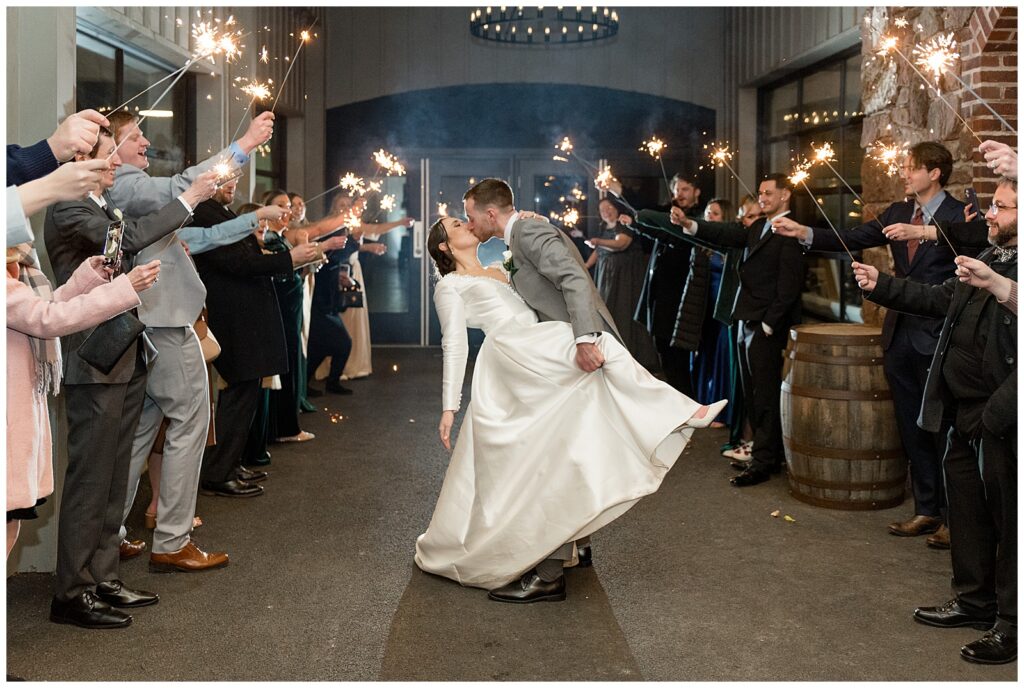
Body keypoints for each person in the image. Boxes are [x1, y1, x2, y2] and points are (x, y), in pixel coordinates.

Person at [414, 180, 726, 603]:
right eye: (456, 222)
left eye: (466, 216)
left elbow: (556, 276)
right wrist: (450, 406)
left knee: (570, 439)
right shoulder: (450, 287)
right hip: (514, 364)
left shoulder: (505, 254)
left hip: (537, 354)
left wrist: (538, 229)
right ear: (445, 248)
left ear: (489, 215)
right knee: (550, 447)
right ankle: (675, 411)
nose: (465, 223)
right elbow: (454, 345)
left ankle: (568, 541)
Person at [773, 142, 988, 545]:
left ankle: (952, 518)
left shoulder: (959, 214)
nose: (904, 174)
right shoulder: (895, 212)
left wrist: (924, 231)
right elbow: (850, 236)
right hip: (899, 334)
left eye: (911, 168)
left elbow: (975, 245)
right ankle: (925, 509)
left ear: (935, 172)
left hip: (938, 335)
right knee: (911, 425)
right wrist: (803, 231)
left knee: (942, 428)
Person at [43, 127, 215, 629]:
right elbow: (135, 240)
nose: (116, 164)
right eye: (107, 156)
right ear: (82, 160)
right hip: (93, 356)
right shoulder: (69, 210)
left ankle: (103, 578)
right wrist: (188, 197)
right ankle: (71, 593)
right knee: (91, 480)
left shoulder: (100, 207)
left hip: (124, 351)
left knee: (117, 477)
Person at [851, 176, 1017, 665]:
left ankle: (1010, 624)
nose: (991, 214)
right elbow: (940, 299)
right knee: (966, 513)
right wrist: (881, 286)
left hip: (1002, 413)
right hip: (963, 411)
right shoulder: (990, 257)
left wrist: (994, 414)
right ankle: (973, 601)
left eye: (1004, 209)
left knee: (1010, 522)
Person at [106, 110, 274, 569]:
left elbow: (198, 239)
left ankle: (109, 533)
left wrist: (249, 220)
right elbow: (179, 185)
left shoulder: (134, 195)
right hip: (165, 325)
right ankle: (173, 540)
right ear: (110, 149)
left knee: (141, 433)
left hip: (160, 323)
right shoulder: (126, 186)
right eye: (134, 137)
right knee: (190, 424)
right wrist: (243, 145)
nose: (145, 142)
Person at [7, 247, 155, 558]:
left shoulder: (21, 272)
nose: (25, 241)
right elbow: (48, 318)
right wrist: (124, 288)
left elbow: (47, 306)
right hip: (10, 410)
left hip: (18, 410)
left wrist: (88, 278)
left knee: (10, 524)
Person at [671, 173, 804, 487]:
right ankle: (764, 455)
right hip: (746, 320)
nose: (762, 198)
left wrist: (770, 325)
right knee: (753, 394)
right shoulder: (757, 226)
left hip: (766, 326)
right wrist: (690, 224)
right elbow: (726, 233)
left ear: (785, 195)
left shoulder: (791, 232)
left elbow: (789, 285)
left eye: (768, 193)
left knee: (766, 394)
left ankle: (763, 463)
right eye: (760, 193)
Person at [193, 202, 321, 498]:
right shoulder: (204, 211)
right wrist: (289, 258)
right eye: (222, 179)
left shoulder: (217, 211)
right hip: (235, 318)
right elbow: (238, 263)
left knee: (244, 394)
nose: (230, 184)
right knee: (238, 395)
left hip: (243, 317)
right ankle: (218, 472)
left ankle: (229, 463)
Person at [587, 196, 659, 371]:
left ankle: (634, 355)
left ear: (617, 208)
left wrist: (598, 241)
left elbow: (621, 244)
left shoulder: (623, 225)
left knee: (624, 310)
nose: (606, 212)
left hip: (625, 277)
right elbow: (598, 252)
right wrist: (586, 265)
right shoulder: (604, 228)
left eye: (609, 207)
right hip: (608, 277)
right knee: (609, 311)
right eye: (603, 209)